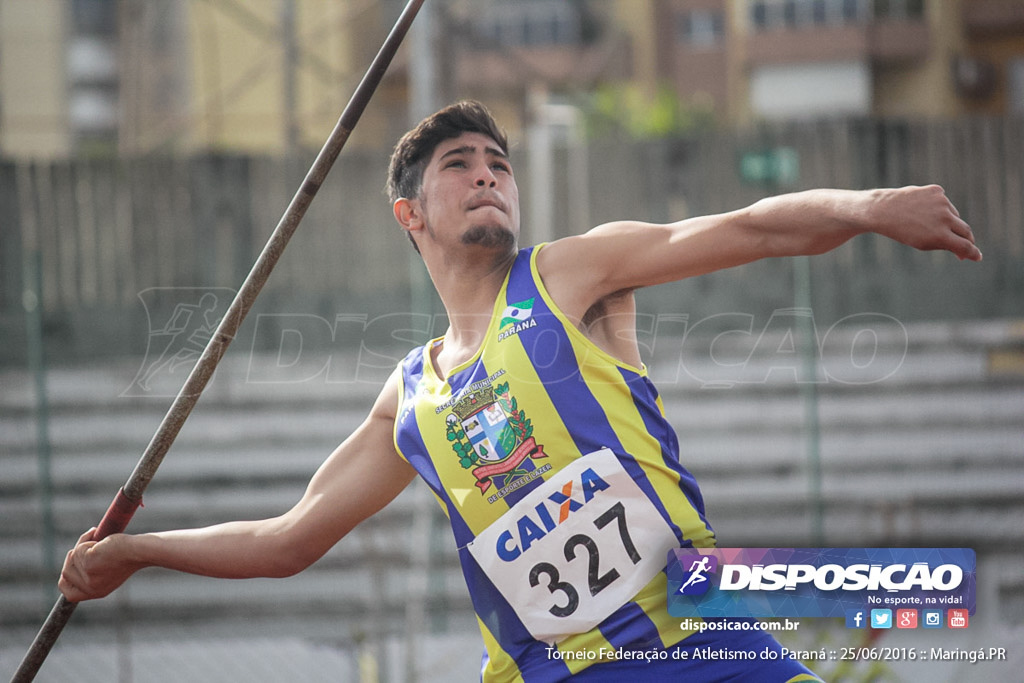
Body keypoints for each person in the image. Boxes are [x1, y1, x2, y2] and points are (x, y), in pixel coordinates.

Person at [59, 101, 982, 681]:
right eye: (460, 165)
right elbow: (287, 539)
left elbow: (750, 229)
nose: (488, 174)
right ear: (410, 215)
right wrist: (137, 550)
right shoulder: (409, 396)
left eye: (498, 164)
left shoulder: (567, 278)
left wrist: (868, 208)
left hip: (699, 637)